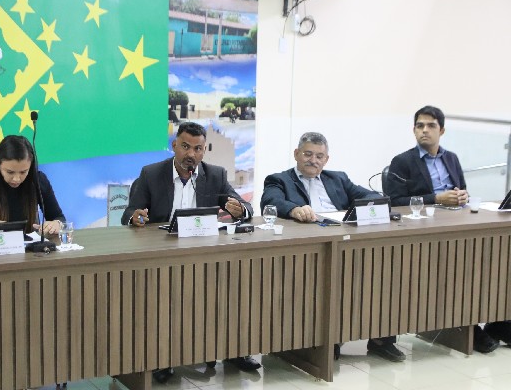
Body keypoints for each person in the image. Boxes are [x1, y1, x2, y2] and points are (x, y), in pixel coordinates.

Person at [121, 122, 260, 383]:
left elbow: (243, 205)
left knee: (235, 284)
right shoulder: (151, 174)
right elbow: (129, 213)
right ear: (174, 146)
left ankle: (233, 349)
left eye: (197, 149)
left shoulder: (215, 175)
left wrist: (241, 210)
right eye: (185, 147)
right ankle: (161, 357)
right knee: (162, 297)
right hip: (161, 255)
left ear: (204, 151)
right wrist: (136, 217)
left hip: (204, 255)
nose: (191, 154)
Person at [261, 132, 406, 362]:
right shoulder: (279, 180)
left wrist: (375, 203)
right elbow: (271, 201)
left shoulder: (338, 178)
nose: (313, 160)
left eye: (319, 156)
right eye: (308, 154)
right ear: (296, 154)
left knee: (381, 270)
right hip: (308, 248)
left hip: (344, 241)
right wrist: (294, 209)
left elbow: (368, 195)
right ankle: (324, 340)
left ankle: (381, 338)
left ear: (326, 159)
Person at [386, 105, 511, 353]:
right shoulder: (402, 161)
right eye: (420, 126)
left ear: (441, 131)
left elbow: (461, 189)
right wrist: (436, 198)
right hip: (423, 229)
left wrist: (462, 196)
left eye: (431, 126)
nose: (424, 130)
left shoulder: (451, 157)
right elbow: (394, 201)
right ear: (414, 130)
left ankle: (499, 321)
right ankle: (468, 325)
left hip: (457, 222)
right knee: (459, 269)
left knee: (490, 259)